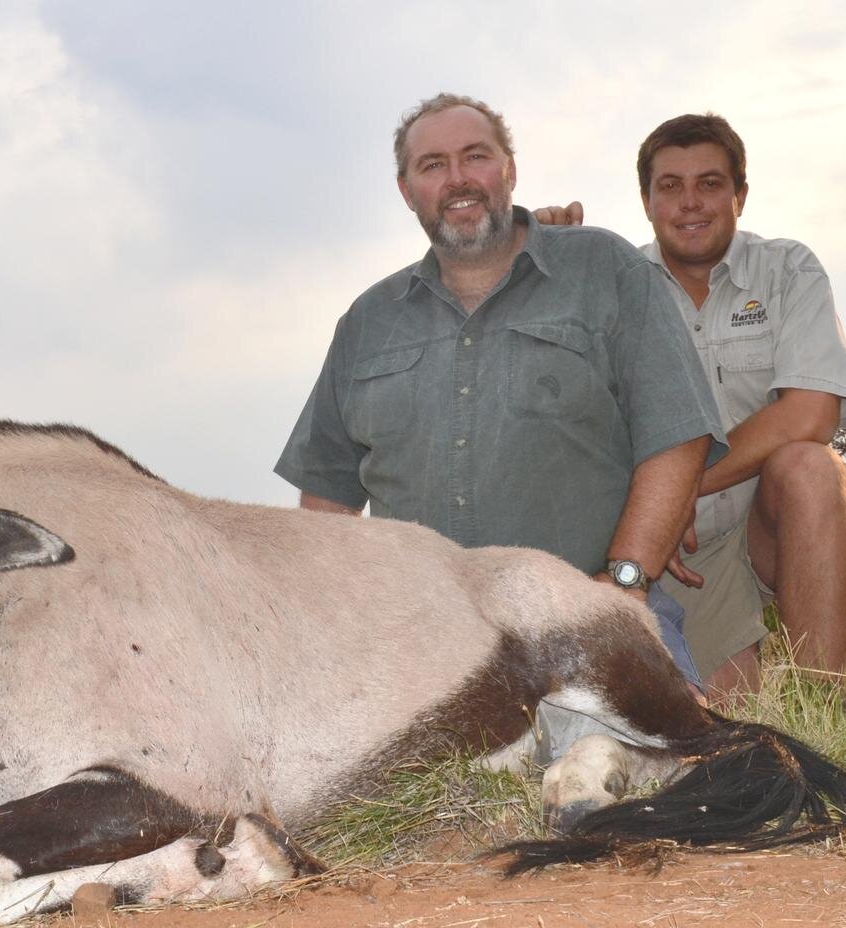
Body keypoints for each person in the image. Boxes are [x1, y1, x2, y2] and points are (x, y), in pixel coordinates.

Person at [275, 93, 727, 688]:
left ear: (509, 169)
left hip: (586, 621)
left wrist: (622, 586)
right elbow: (327, 502)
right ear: (407, 191)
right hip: (416, 643)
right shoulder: (367, 321)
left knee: (672, 773)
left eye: (475, 156)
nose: (458, 179)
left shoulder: (606, 268)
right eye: (432, 165)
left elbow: (677, 437)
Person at [536, 113, 846, 699]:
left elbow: (811, 414)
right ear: (645, 200)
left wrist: (684, 485)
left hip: (765, 526)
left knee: (813, 468)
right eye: (670, 186)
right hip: (677, 551)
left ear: (740, 194)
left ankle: (825, 705)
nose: (690, 203)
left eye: (710, 184)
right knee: (719, 727)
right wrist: (539, 265)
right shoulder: (609, 283)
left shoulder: (789, 269)